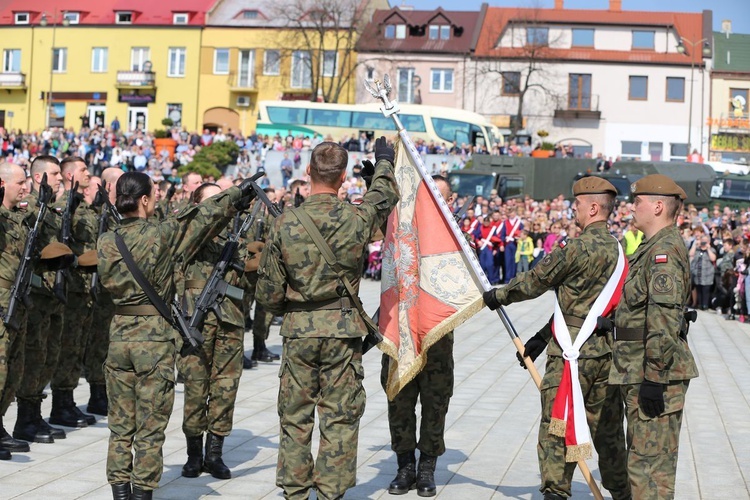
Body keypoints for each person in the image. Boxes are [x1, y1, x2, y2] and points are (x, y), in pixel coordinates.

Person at [97, 172, 254, 499]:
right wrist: (237, 193)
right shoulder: (161, 235)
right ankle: (141, 495)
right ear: (143, 200)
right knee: (150, 431)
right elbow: (201, 215)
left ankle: (120, 495)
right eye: (152, 196)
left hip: (118, 338)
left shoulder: (106, 240)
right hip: (153, 341)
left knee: (120, 429)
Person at [256, 138, 398, 499]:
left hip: (299, 334)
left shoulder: (286, 223)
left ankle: (295, 494)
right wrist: (384, 162)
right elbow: (384, 195)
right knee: (339, 418)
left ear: (308, 172)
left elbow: (269, 297)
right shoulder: (355, 217)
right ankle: (330, 494)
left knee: (295, 419)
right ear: (344, 176)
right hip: (342, 335)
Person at [483, 177, 631, 500]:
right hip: (606, 356)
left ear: (593, 208)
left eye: (577, 203)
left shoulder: (574, 248)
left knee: (558, 427)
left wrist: (498, 295)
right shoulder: (620, 254)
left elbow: (534, 282)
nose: (572, 208)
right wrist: (540, 335)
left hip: (569, 356)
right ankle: (622, 491)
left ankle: (556, 491)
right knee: (607, 431)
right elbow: (589, 306)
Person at [609, 174, 698, 499]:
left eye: (638, 202)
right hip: (638, 367)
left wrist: (655, 378)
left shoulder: (664, 252)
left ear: (658, 206)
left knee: (650, 473)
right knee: (642, 466)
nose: (632, 208)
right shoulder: (652, 247)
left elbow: (663, 320)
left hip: (653, 372)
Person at [381, 175, 455, 498]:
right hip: (401, 329)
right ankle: (404, 466)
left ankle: (426, 467)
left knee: (435, 401)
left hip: (436, 335)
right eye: (428, 197)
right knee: (399, 399)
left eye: (440, 198)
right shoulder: (402, 229)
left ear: (450, 202)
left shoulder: (457, 240)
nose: (433, 204)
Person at [177, 183, 247, 481]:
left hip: (229, 319)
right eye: (213, 200)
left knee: (225, 387)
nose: (221, 205)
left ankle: (214, 453)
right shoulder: (190, 231)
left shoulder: (236, 236)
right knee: (195, 386)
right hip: (196, 319)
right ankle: (194, 454)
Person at [48, 156, 98, 429]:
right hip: (68, 286)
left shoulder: (83, 206)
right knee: (66, 347)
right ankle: (59, 404)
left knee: (77, 347)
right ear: (70, 176)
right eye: (83, 169)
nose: (88, 173)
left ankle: (66, 402)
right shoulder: (62, 206)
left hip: (83, 288)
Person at [0, 163, 31, 460]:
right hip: (1, 298)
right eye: (20, 182)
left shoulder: (19, 217)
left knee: (13, 370)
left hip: (17, 299)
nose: (25, 187)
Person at [689, 234, 716, 310]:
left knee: (706, 290)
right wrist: (695, 245)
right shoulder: (697, 249)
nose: (703, 242)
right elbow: (690, 254)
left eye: (705, 241)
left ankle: (705, 305)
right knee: (699, 290)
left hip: (707, 274)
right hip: (698, 274)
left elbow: (713, 258)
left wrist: (708, 249)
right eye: (702, 240)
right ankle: (700, 304)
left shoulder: (712, 250)